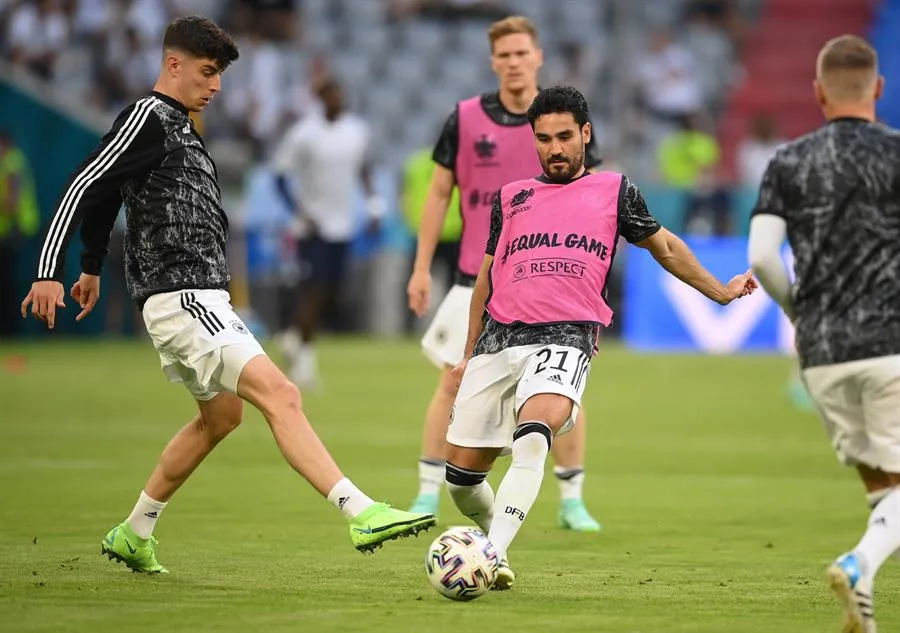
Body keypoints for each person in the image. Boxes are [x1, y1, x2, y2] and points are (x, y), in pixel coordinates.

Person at [20, 15, 434, 574]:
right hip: (183, 295)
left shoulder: (180, 125)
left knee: (220, 418)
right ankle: (360, 511)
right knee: (282, 393)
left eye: (220, 75)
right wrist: (50, 270)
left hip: (198, 297)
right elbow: (84, 182)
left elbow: (111, 193)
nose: (216, 86)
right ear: (174, 64)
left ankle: (134, 531)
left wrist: (91, 265)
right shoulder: (148, 116)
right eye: (208, 72)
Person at [446, 85, 756, 590]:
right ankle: (492, 540)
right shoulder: (511, 198)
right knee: (461, 481)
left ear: (586, 134)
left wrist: (720, 292)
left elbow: (666, 247)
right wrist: (467, 354)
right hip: (499, 339)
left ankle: (491, 554)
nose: (555, 148)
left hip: (567, 335)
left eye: (565, 136)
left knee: (533, 434)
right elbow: (486, 280)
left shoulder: (615, 191)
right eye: (544, 139)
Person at [406, 16, 603, 532]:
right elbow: (439, 193)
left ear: (538, 57)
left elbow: (593, 198)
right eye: (505, 55)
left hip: (546, 279)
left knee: (560, 393)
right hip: (476, 276)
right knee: (452, 381)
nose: (514, 62)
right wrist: (422, 267)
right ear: (493, 62)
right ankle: (428, 491)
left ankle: (572, 499)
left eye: (522, 53)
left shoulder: (561, 120)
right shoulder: (465, 118)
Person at [748, 35, 900, 633]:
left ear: (818, 93)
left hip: (823, 353)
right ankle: (858, 563)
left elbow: (762, 257)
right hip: (891, 342)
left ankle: (864, 595)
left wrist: (798, 313)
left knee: (883, 484)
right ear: (878, 89)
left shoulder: (787, 162)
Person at [272, 77, 384, 390]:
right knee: (314, 291)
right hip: (313, 227)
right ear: (321, 100)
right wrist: (300, 213)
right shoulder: (303, 133)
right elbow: (280, 176)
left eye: (340, 96)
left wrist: (373, 206)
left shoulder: (356, 130)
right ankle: (305, 364)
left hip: (343, 224)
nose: (337, 101)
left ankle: (292, 337)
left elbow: (364, 169)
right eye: (332, 96)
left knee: (333, 293)